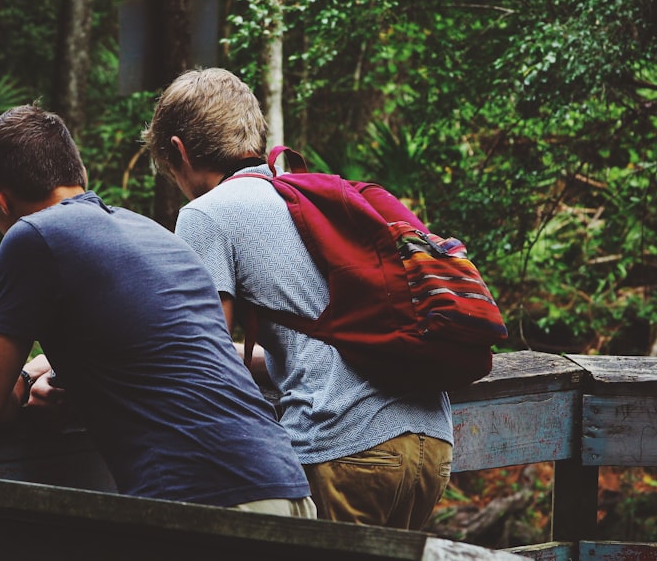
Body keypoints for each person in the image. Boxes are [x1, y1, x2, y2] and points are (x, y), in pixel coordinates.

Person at [0, 104, 315, 517]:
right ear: (79, 176)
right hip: (286, 485)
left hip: (206, 497)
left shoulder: (33, 236)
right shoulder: (155, 234)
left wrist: (22, 382)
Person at [142, 68, 453, 529]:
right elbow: (320, 340)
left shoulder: (205, 214)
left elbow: (201, 356)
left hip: (345, 446)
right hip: (432, 442)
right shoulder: (305, 197)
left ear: (178, 151)